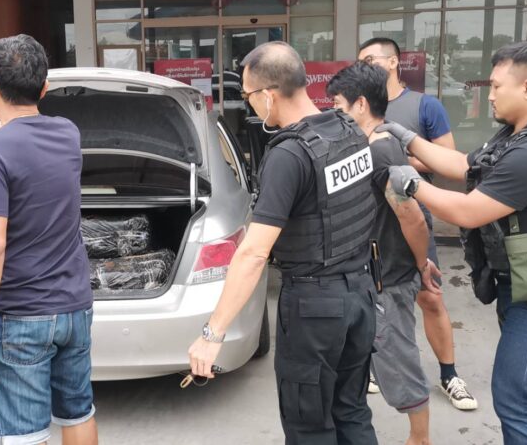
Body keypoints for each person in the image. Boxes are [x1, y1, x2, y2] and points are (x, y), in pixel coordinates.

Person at [383, 41, 527, 444]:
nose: (490, 95)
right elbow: (465, 165)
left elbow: (469, 211)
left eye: (498, 86)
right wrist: (407, 139)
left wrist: (411, 184)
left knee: (516, 397)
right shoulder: (520, 135)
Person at [187, 41, 380, 444]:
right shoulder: (350, 129)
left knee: (309, 427)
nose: (250, 104)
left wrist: (212, 335)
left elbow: (254, 253)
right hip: (361, 294)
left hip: (315, 309)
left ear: (269, 95)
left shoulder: (289, 155)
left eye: (248, 95)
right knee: (352, 411)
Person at [0, 35, 98, 445]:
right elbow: (12, 130)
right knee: (78, 413)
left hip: (20, 316)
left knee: (24, 436)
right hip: (74, 309)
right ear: (45, 87)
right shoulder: (67, 133)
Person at [358, 37, 477, 411]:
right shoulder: (358, 105)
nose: (364, 67)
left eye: (370, 60)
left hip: (410, 212)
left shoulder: (425, 106)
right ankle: (376, 366)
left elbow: (448, 158)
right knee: (372, 297)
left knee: (430, 295)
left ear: (394, 62)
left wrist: (394, 156)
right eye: (360, 62)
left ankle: (449, 374)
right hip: (370, 222)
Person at [327, 62, 441, 445]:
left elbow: (412, 217)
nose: (334, 112)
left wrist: (422, 264)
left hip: (387, 278)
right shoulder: (371, 145)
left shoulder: (382, 150)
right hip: (373, 276)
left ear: (360, 104)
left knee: (397, 361)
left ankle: (420, 439)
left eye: (338, 105)